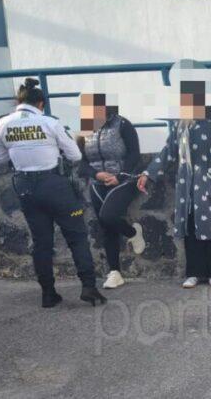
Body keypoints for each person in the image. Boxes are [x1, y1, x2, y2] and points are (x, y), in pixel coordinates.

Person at [0, 78, 106, 308]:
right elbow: (75, 155)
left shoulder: (2, 124)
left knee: (41, 242)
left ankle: (48, 294)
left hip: (25, 187)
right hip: (54, 185)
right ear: (41, 104)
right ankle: (89, 288)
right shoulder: (49, 123)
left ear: (19, 102)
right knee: (76, 237)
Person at [137, 80, 211, 289]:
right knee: (190, 227)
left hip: (208, 181)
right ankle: (194, 273)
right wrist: (148, 173)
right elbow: (168, 152)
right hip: (186, 185)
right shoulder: (180, 125)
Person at [77, 93, 145, 290]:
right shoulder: (85, 129)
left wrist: (120, 176)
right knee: (106, 226)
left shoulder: (123, 125)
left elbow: (134, 155)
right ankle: (115, 273)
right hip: (98, 183)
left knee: (108, 216)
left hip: (124, 180)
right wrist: (96, 174)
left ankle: (133, 232)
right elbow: (81, 163)